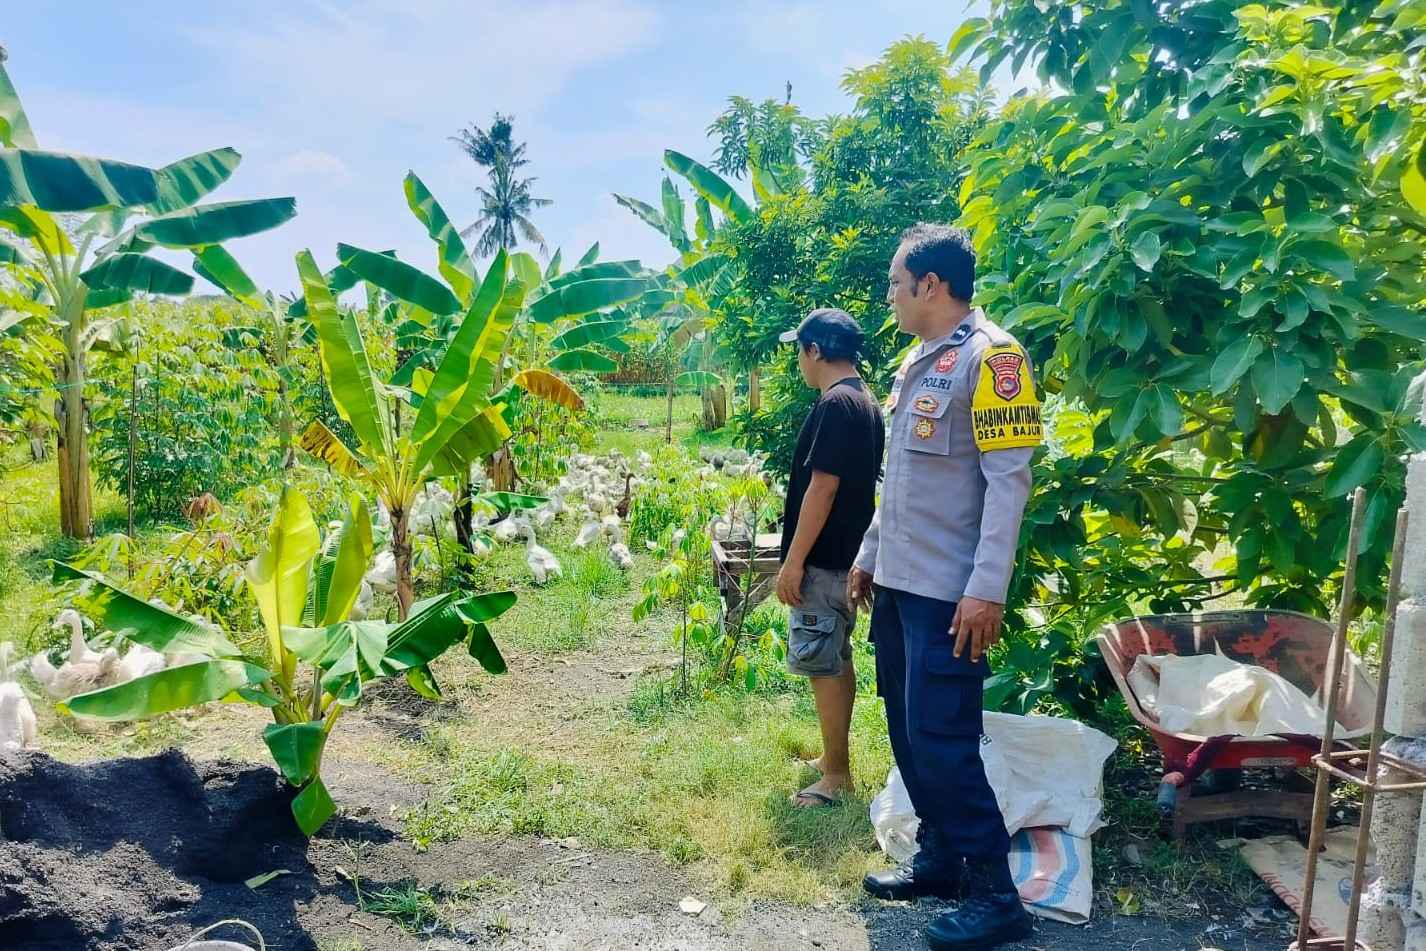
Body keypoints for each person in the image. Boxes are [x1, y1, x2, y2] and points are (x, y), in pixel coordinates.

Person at [850, 224, 1041, 950]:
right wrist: (870, 553)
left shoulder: (994, 361)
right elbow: (900, 481)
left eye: (897, 283)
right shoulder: (918, 361)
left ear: (930, 284)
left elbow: (1007, 483)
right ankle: (940, 856)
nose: (892, 296)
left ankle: (996, 895)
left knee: (945, 739)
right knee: (907, 729)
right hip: (901, 585)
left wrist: (986, 590)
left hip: (950, 594)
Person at [773, 308, 886, 808]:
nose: (799, 361)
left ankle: (837, 774)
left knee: (822, 662)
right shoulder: (864, 401)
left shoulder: (835, 406)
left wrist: (794, 560)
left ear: (814, 351)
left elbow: (823, 487)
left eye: (799, 350)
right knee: (836, 658)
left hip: (824, 560)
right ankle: (832, 757)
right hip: (847, 556)